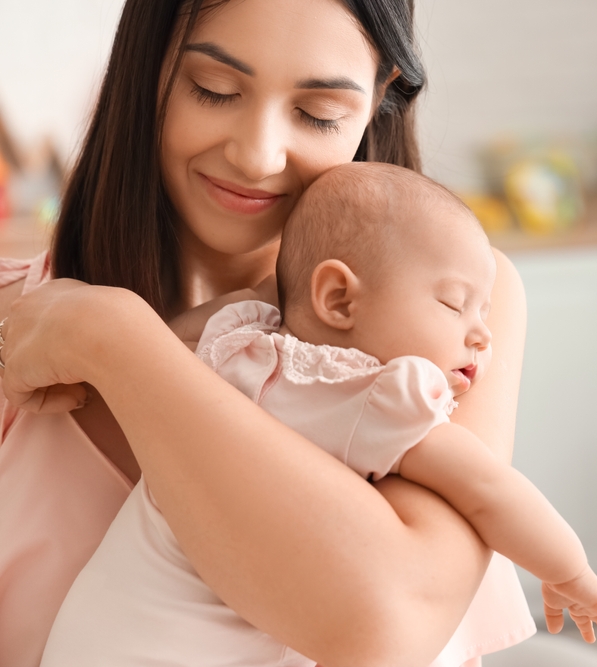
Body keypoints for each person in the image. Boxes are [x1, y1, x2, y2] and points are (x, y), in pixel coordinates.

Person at [0, 1, 537, 666]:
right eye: (214, 89)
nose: (257, 156)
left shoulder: (457, 309)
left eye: (318, 113)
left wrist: (115, 339)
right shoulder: (15, 323)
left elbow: (386, 623)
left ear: (379, 97)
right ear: (147, 71)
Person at [40, 162, 597, 666]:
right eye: (455, 304)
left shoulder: (238, 343)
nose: (482, 334)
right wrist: (570, 572)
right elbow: (488, 490)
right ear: (339, 298)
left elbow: (172, 340)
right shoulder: (371, 398)